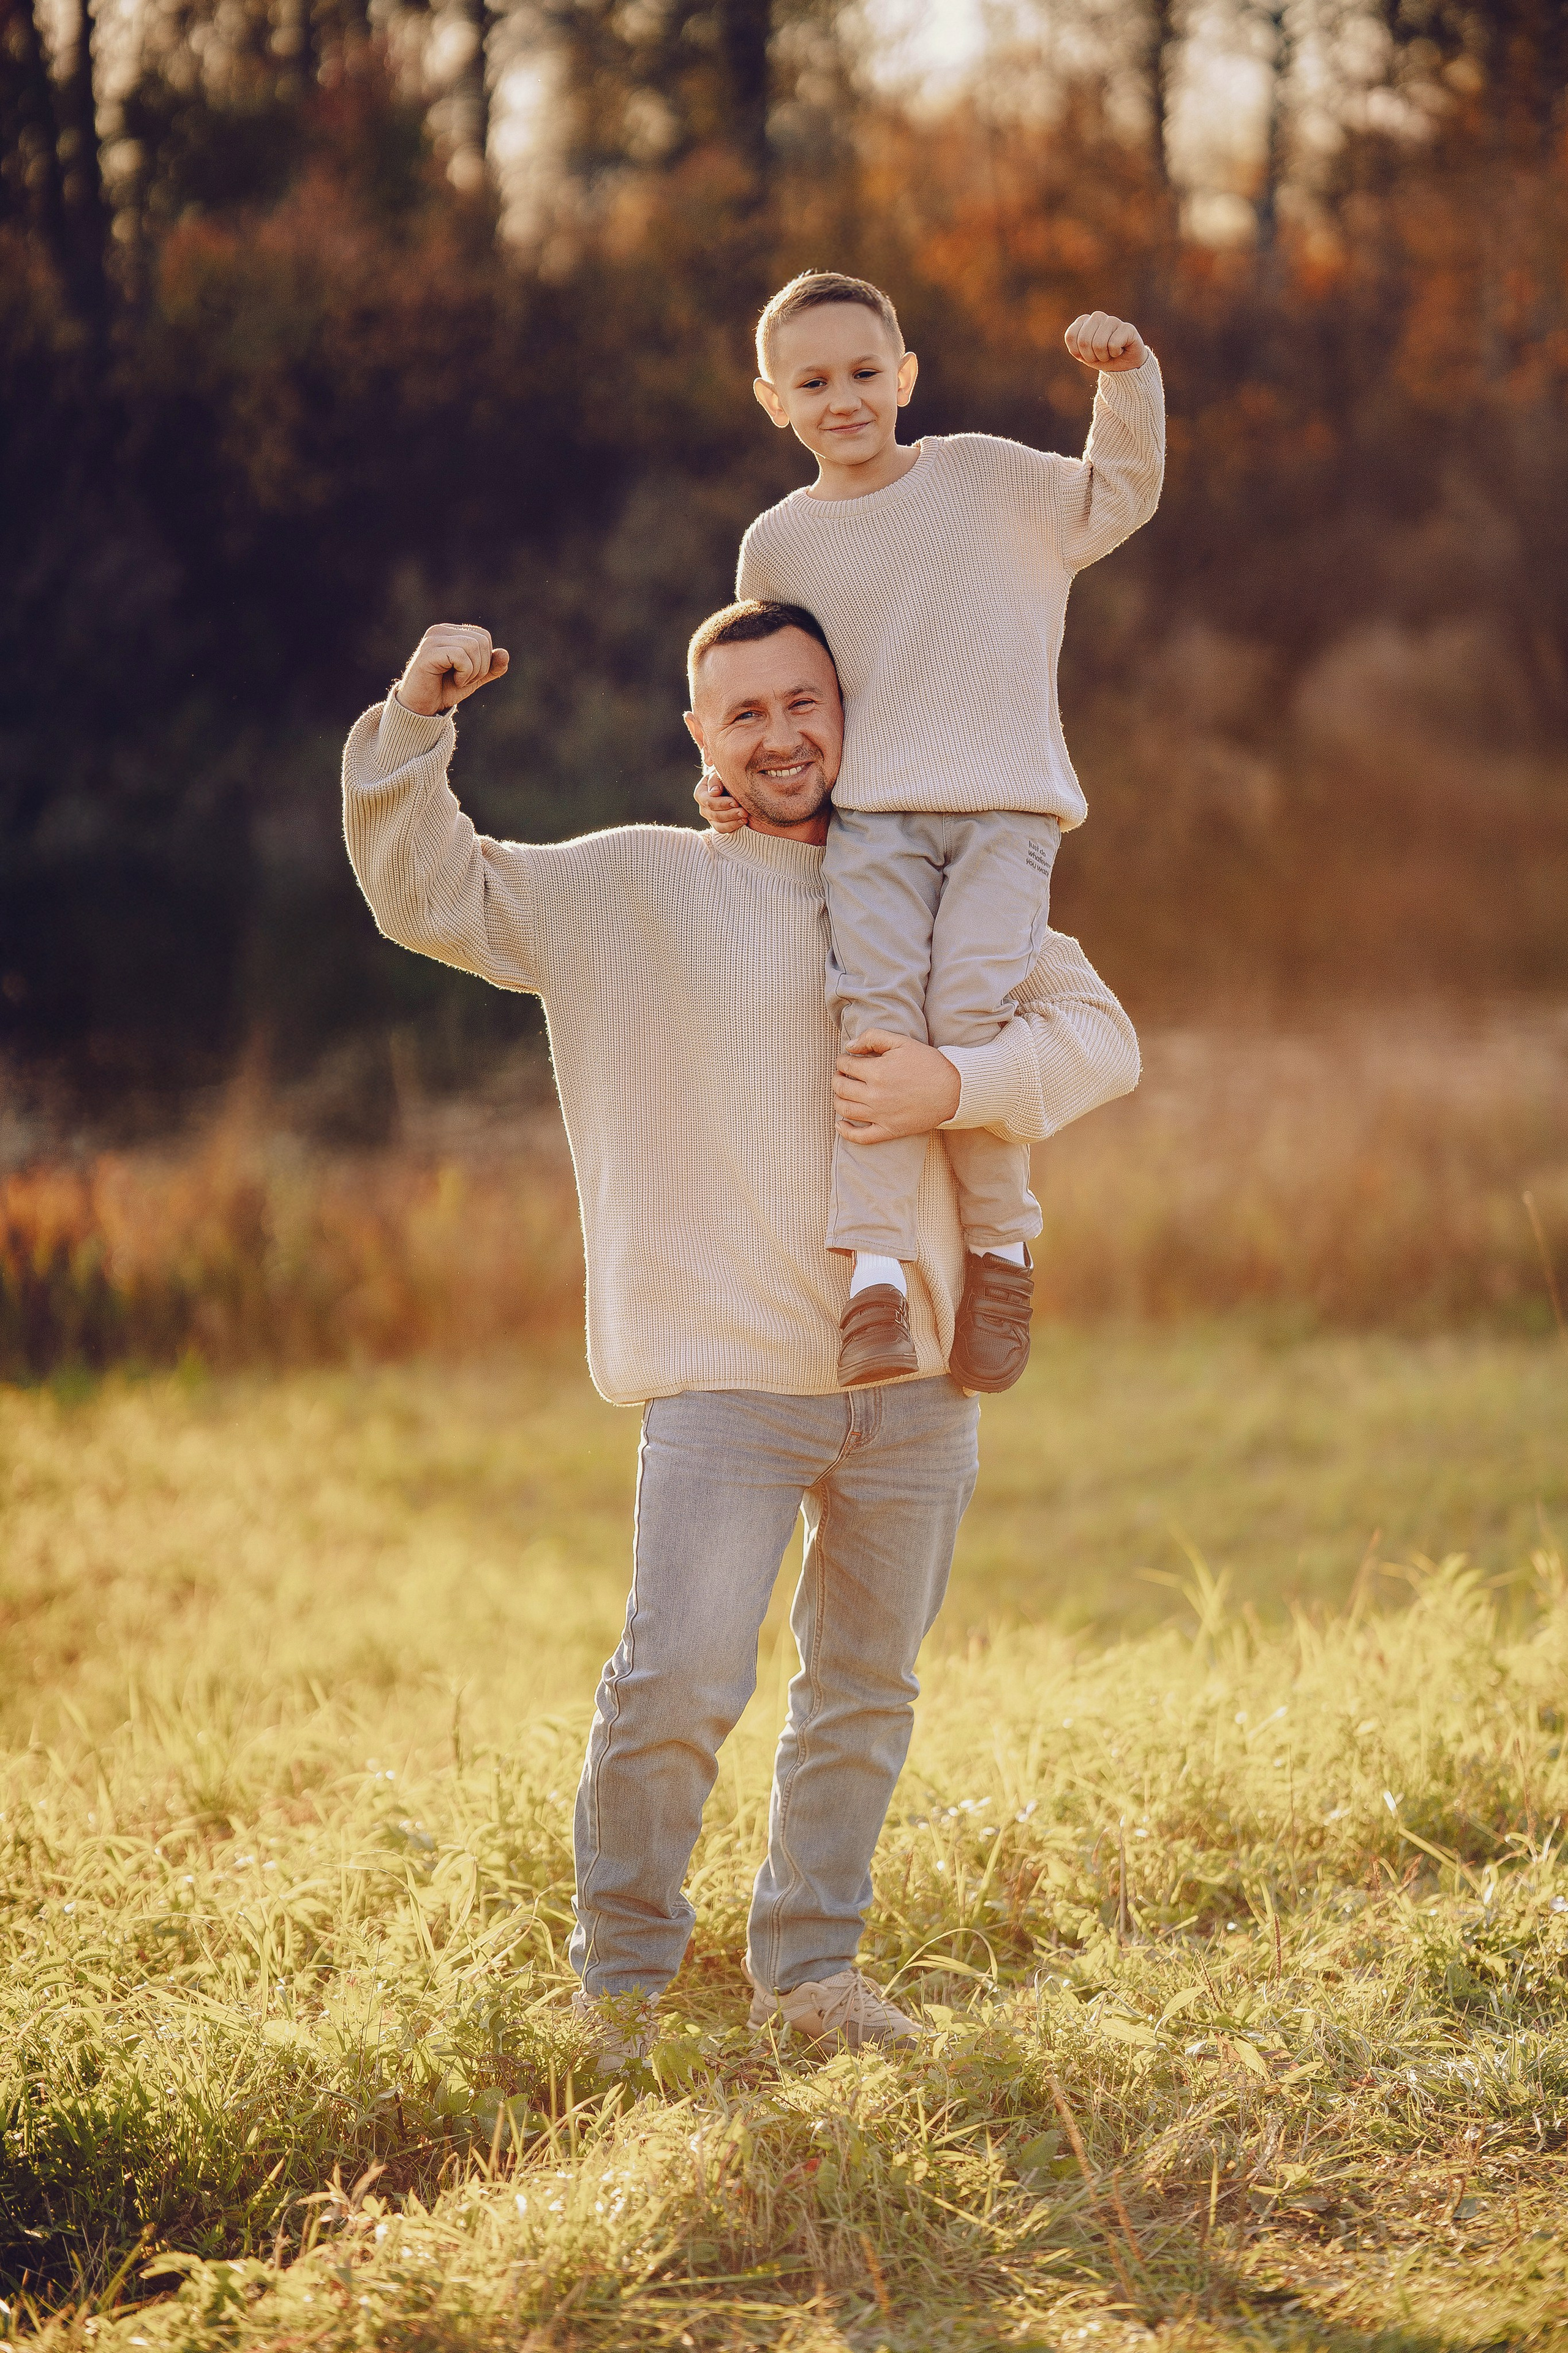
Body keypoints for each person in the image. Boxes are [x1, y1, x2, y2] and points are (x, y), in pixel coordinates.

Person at [341, 601, 1139, 2062]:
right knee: (675, 1687)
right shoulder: (632, 887)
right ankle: (619, 1990)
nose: (781, 735)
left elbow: (1099, 1036)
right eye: (746, 712)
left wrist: (955, 1085)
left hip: (917, 1380)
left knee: (863, 1693)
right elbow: (427, 890)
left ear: (849, 716)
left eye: (804, 702)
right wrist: (417, 715)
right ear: (700, 738)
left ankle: (811, 1977)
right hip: (723, 1382)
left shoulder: (935, 892)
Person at [701, 271, 1163, 1396]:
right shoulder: (777, 545)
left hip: (1007, 812)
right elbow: (761, 690)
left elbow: (1116, 495)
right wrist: (726, 783)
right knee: (875, 1023)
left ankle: (1001, 1254)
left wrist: (1128, 381)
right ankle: (873, 1276)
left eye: (865, 372)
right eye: (814, 382)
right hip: (872, 824)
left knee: (966, 1024)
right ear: (774, 401)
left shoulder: (987, 476)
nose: (844, 399)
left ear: (905, 376)